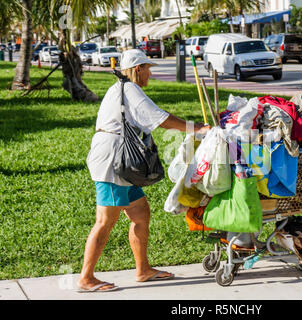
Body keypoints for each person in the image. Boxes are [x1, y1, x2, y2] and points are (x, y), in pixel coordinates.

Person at [77, 49, 210, 292]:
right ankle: (86, 277)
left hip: (122, 160)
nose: (150, 73)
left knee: (140, 212)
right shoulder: (129, 89)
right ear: (138, 68)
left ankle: (143, 270)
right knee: (105, 220)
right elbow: (161, 120)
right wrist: (196, 128)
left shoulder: (123, 88)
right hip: (114, 161)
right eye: (148, 68)